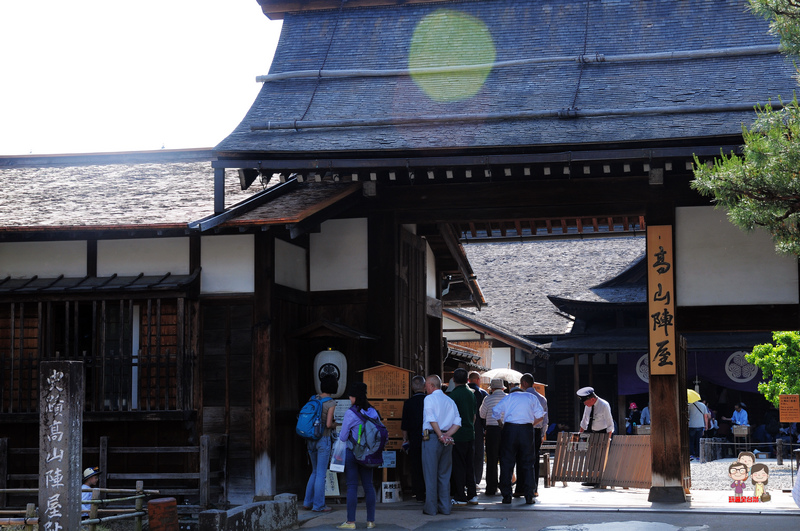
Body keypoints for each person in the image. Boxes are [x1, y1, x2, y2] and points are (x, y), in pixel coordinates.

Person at [491, 373, 544, 505]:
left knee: (507, 463)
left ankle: (506, 496)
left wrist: (500, 424)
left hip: (510, 430)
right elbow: (541, 416)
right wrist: (530, 424)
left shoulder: (509, 398)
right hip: (526, 430)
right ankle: (529, 495)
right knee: (528, 463)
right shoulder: (531, 397)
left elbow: (495, 412)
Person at [337, 382, 379, 529]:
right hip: (369, 454)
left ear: (354, 397)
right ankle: (370, 521)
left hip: (353, 453)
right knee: (369, 485)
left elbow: (342, 437)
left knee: (352, 486)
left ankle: (351, 522)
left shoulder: (351, 413)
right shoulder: (373, 411)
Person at [421, 374, 461, 516]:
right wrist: (447, 435)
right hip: (447, 440)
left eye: (426, 385)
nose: (425, 388)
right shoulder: (449, 400)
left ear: (431, 386)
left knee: (430, 474)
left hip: (432, 438)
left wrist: (440, 435)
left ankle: (431, 509)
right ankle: (445, 507)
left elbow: (431, 418)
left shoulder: (429, 399)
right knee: (444, 474)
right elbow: (458, 422)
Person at [303, 375, 337, 513]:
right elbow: (328, 424)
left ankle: (307, 502)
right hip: (323, 439)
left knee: (314, 471)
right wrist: (336, 424)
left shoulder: (313, 399)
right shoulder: (331, 403)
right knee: (321, 473)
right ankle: (319, 506)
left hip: (310, 439)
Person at [447, 368, 478, 507]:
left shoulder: (453, 396)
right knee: (470, 466)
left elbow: (450, 418)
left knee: (458, 466)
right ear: (467, 380)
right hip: (470, 433)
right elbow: (474, 416)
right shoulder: (471, 394)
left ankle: (460, 496)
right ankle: (472, 495)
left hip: (457, 435)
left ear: (453, 380)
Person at [577, 386, 613, 486]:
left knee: (600, 457)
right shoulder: (588, 405)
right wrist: (580, 433)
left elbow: (610, 424)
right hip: (592, 432)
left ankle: (600, 480)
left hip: (603, 433)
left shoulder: (604, 405)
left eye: (586, 402)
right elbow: (585, 420)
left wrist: (608, 438)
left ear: (592, 399)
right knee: (591, 456)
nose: (586, 405)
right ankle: (591, 479)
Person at [401, 375, 427, 502]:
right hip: (429, 438)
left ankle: (419, 493)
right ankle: (430, 491)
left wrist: (405, 440)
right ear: (424, 386)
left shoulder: (408, 403)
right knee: (429, 465)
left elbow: (404, 424)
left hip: (414, 439)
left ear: (412, 387)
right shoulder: (429, 400)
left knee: (416, 467)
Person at [479, 378, 507, 496]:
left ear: (492, 388)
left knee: (492, 459)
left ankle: (491, 487)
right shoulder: (508, 397)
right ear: (502, 388)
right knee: (506, 459)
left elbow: (482, 414)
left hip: (491, 431)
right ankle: (505, 486)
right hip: (506, 430)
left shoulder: (487, 398)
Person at [524, 375, 548, 497]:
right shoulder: (542, 398)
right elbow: (545, 420)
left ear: (524, 383)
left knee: (522, 458)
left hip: (524, 429)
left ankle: (522, 487)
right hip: (537, 431)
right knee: (535, 460)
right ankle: (534, 488)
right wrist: (543, 434)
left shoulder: (522, 398)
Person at [468, 371, 488, 486]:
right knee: (478, 455)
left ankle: (467, 479)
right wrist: (485, 428)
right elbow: (485, 414)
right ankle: (476, 480)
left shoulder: (463, 392)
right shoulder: (482, 393)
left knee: (466, 454)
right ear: (478, 380)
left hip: (463, 428)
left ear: (469, 380)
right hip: (479, 428)